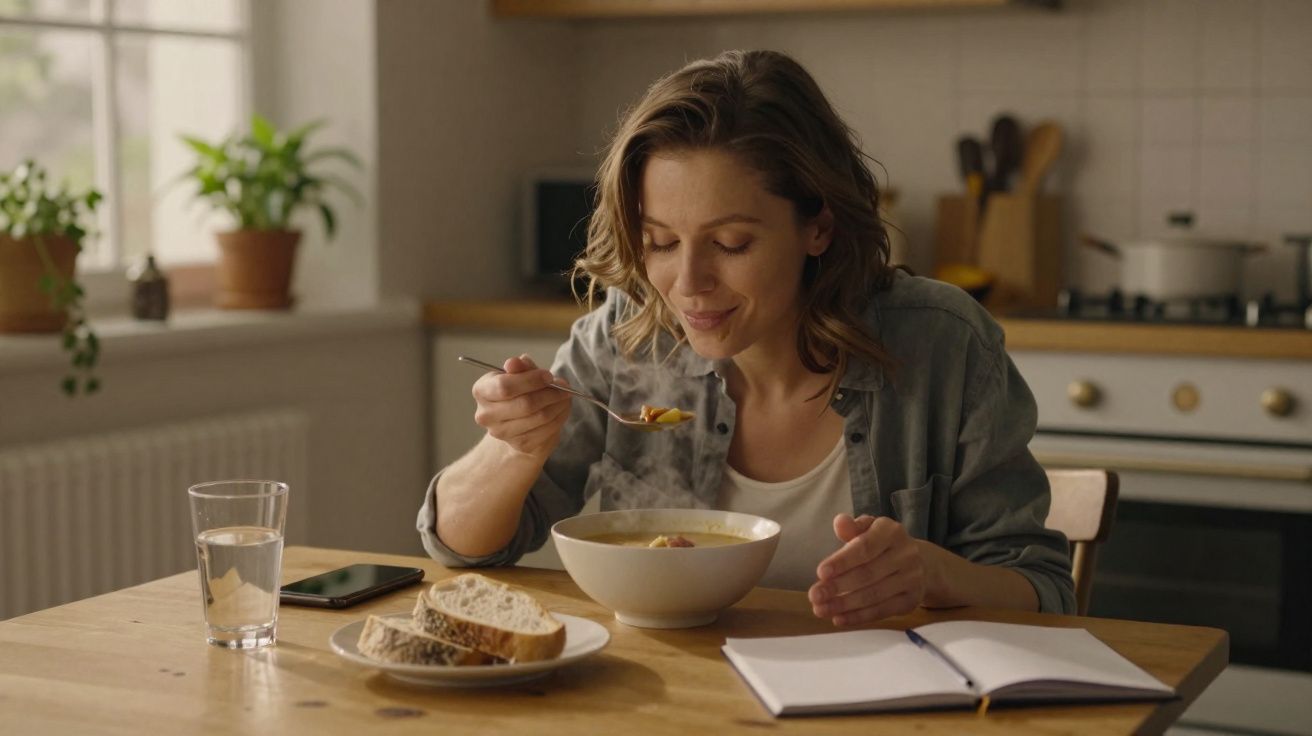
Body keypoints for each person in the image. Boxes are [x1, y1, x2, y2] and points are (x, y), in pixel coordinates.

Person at [418, 49, 1075, 625]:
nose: (688, 282)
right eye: (660, 242)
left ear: (817, 226)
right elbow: (462, 549)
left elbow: (1045, 590)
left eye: (731, 243)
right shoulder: (626, 337)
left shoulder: (942, 344)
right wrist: (511, 448)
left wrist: (934, 574)